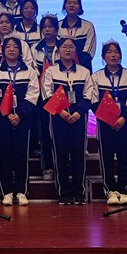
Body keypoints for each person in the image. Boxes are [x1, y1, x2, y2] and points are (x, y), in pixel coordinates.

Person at [41, 37, 94, 205]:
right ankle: (63, 192)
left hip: (79, 118)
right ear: (58, 50)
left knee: (79, 155)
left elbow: (89, 94)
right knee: (60, 155)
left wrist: (79, 112)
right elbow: (46, 93)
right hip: (58, 118)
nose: (68, 49)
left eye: (71, 47)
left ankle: (79, 192)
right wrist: (61, 112)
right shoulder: (51, 71)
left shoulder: (84, 72)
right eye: (64, 46)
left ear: (75, 50)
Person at [0, 37, 39, 206]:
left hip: (22, 120)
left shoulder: (29, 71)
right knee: (4, 155)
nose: (11, 49)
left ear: (20, 50)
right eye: (8, 47)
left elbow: (33, 95)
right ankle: (7, 192)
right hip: (3, 119)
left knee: (21, 155)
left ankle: (22, 191)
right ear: (3, 50)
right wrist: (8, 114)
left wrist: (20, 115)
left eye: (15, 47)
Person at [91, 40, 127, 206]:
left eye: (116, 52)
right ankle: (110, 191)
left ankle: (123, 191)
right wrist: (108, 118)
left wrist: (123, 118)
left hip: (124, 123)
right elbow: (93, 101)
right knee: (106, 157)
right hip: (105, 124)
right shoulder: (96, 77)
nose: (113, 55)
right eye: (109, 52)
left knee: (125, 157)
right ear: (103, 56)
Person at [33, 14, 61, 181]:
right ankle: (47, 167)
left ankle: (61, 167)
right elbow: (32, 70)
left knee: (60, 133)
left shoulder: (64, 46)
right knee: (45, 132)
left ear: (56, 29)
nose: (47, 29)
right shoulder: (35, 49)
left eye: (51, 26)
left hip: (61, 95)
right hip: (42, 95)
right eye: (44, 27)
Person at [58, 0, 96, 72]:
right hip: (61, 68)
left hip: (83, 68)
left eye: (75, 3)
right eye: (69, 3)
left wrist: (77, 66)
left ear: (80, 8)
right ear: (64, 7)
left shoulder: (88, 26)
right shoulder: (58, 26)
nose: (72, 5)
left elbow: (89, 51)